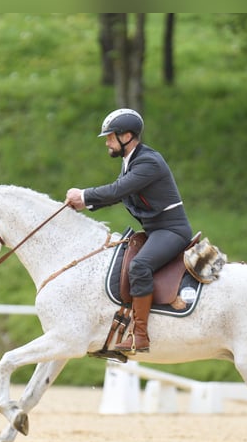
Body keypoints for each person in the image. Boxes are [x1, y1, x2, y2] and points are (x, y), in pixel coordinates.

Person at [66, 108, 193, 354]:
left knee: (139, 266)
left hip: (172, 231)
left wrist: (83, 194)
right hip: (156, 231)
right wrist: (85, 203)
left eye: (111, 136)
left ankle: (141, 336)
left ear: (127, 136)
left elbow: (116, 190)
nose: (107, 142)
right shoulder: (131, 162)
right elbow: (118, 194)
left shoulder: (148, 162)